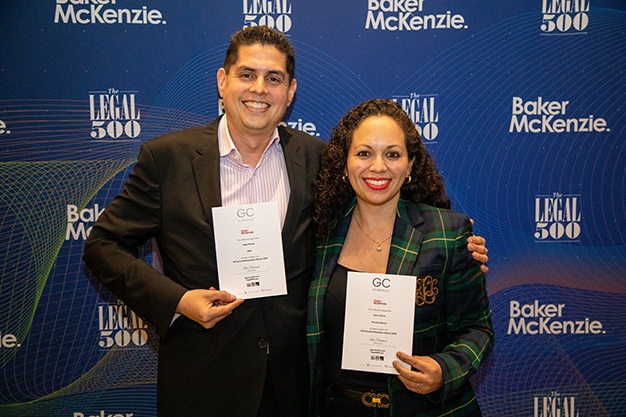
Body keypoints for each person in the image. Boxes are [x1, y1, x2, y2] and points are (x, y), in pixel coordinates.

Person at [83, 26, 489, 417]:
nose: (260, 89)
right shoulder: (167, 158)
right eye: (247, 74)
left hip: (296, 389)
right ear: (223, 82)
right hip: (204, 382)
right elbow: (102, 245)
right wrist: (177, 301)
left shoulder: (317, 159)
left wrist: (455, 245)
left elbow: (383, 193)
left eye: (274, 78)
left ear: (290, 91)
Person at [307, 99, 494, 417]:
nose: (378, 166)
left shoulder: (447, 232)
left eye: (392, 154)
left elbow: (477, 328)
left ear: (409, 166)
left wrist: (444, 369)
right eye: (364, 153)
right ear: (345, 164)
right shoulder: (319, 233)